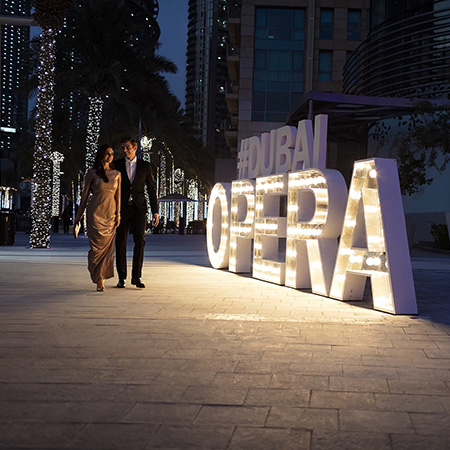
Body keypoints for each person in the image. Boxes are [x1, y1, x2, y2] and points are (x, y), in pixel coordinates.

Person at [74, 145, 121, 291]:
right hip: (95, 214)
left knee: (107, 250)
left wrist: (118, 215)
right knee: (96, 249)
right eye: (107, 153)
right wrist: (78, 217)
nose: (110, 156)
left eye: (112, 154)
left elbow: (117, 197)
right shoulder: (92, 173)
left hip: (110, 214)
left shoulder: (117, 174)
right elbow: (84, 197)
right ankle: (98, 278)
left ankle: (101, 278)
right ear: (101, 155)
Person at [115, 137, 159, 288]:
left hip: (139, 208)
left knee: (140, 241)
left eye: (127, 147)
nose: (125, 150)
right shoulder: (117, 165)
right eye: (123, 148)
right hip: (121, 209)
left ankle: (136, 277)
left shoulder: (145, 166)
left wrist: (155, 211)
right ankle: (122, 278)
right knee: (120, 242)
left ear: (135, 148)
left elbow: (151, 189)